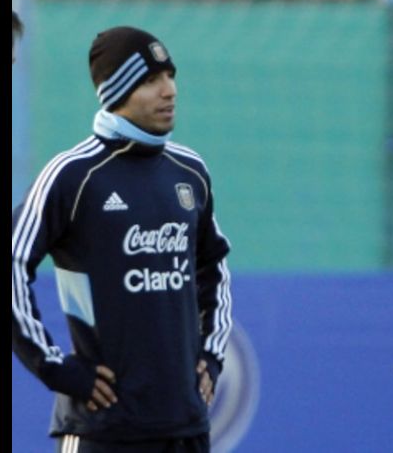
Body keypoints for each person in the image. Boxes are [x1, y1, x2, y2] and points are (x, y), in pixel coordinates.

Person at [12, 26, 232, 452]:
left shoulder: (189, 171)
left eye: (170, 76)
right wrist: (55, 367)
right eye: (151, 80)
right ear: (116, 91)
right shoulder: (72, 174)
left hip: (185, 427)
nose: (169, 90)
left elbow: (215, 268)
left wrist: (212, 355)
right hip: (102, 430)